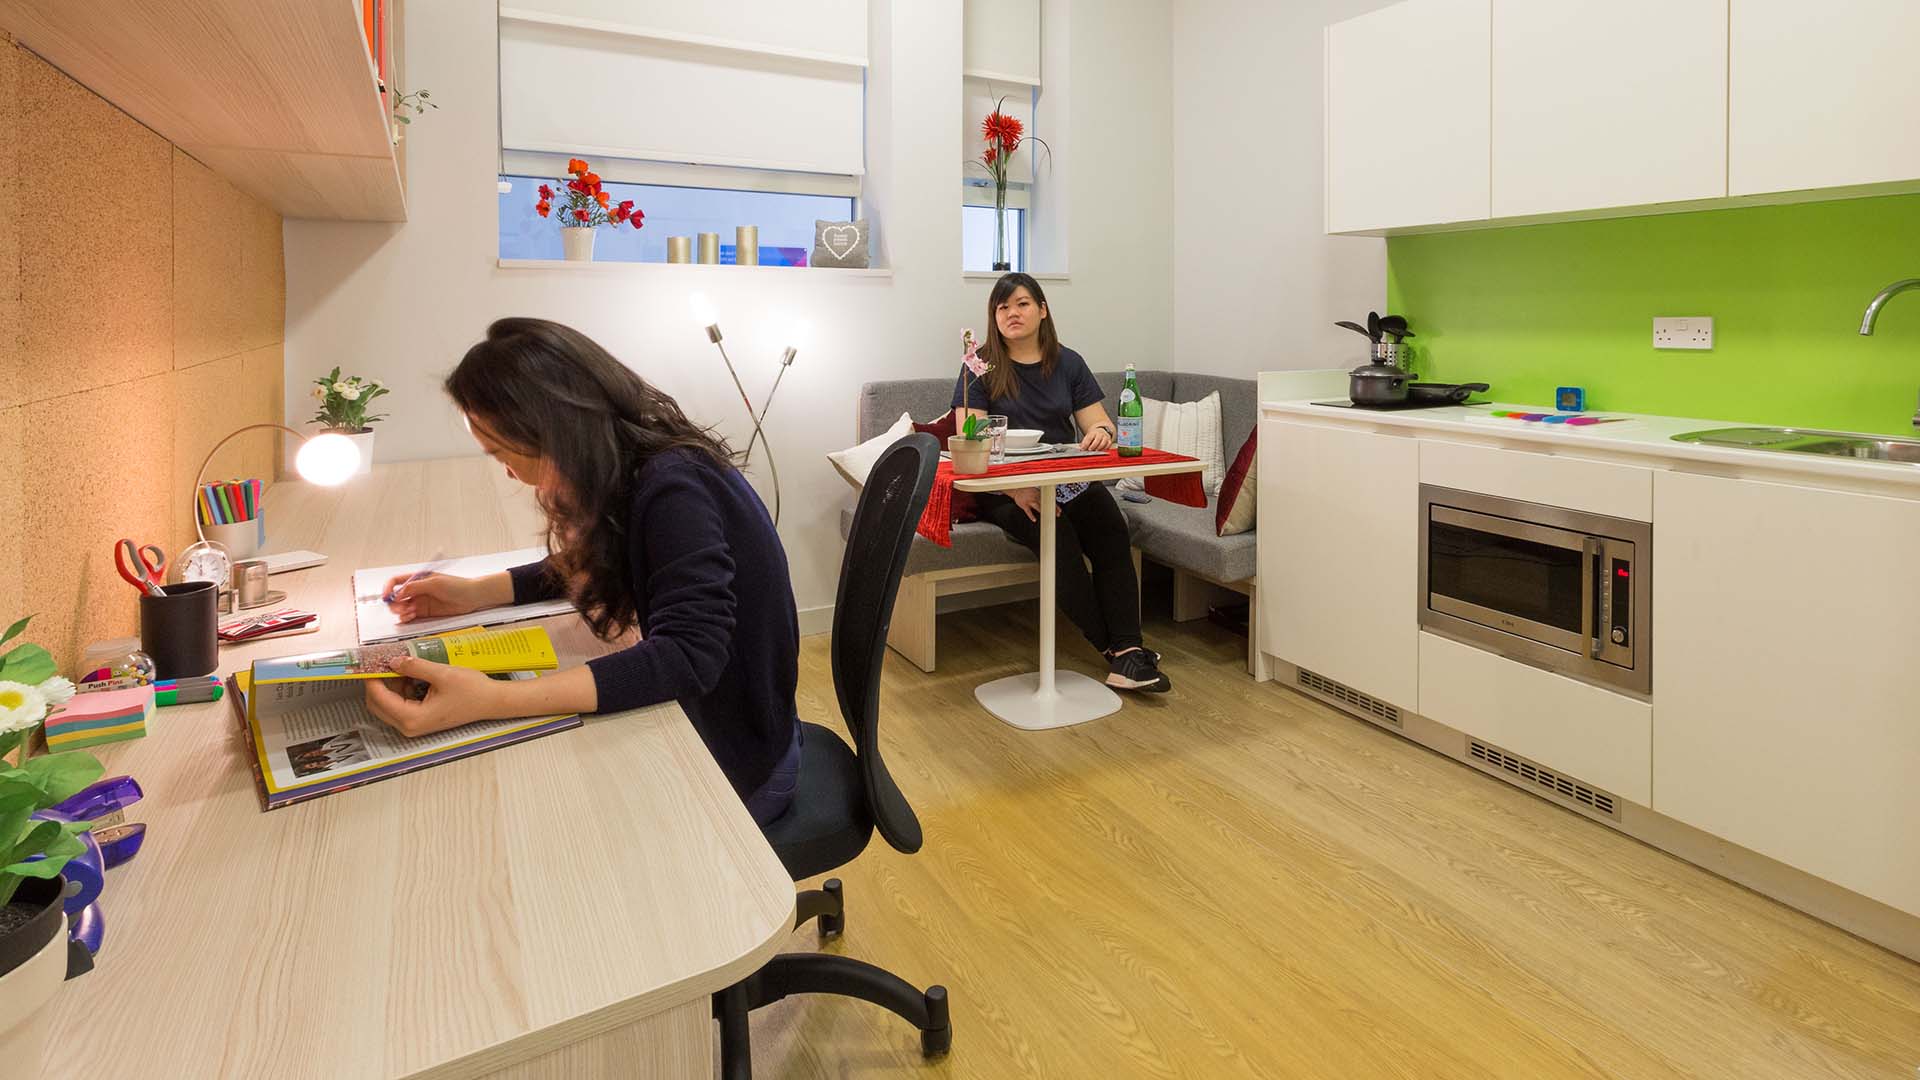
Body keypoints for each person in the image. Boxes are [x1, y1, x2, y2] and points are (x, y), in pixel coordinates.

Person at [363, 317, 803, 825]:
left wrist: (492, 699)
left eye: (501, 452)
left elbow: (689, 656)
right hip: (720, 728)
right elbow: (606, 557)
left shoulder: (674, 489)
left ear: (551, 431)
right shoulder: (637, 464)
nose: (507, 470)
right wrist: (478, 592)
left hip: (740, 762)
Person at [953, 273, 1170, 693]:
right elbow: (971, 440)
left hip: (1066, 478)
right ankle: (1114, 650)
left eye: (1021, 304)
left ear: (1042, 310)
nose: (1012, 313)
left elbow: (1098, 422)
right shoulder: (979, 365)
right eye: (1002, 307)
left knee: (1112, 529)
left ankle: (1129, 648)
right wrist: (1015, 490)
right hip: (1005, 488)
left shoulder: (1068, 362)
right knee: (1060, 540)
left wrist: (1102, 433)